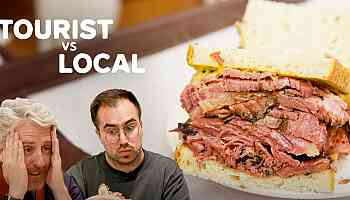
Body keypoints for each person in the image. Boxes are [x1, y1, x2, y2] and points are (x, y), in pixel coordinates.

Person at [67, 89, 191, 200]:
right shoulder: (79, 176)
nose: (123, 140)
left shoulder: (167, 172)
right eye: (112, 131)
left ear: (141, 127)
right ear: (99, 134)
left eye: (130, 128)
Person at [0, 98, 83, 200]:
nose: (40, 163)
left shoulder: (64, 184)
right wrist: (15, 194)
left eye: (47, 148)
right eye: (28, 149)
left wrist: (59, 190)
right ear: (2, 151)